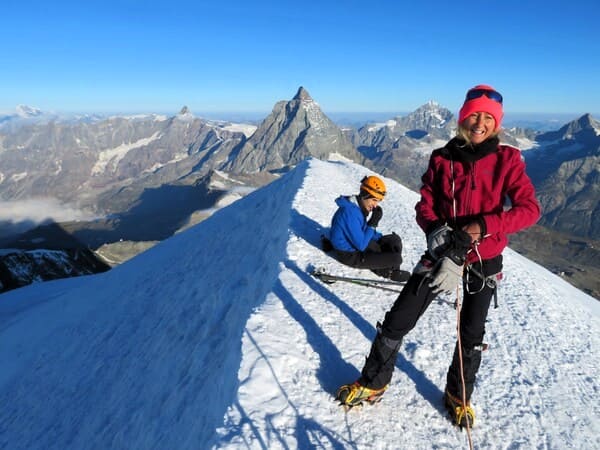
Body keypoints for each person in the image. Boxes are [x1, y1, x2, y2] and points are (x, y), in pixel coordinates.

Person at [335, 85, 541, 427]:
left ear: (497, 123)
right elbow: (425, 203)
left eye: (488, 117)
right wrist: (433, 229)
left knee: (471, 334)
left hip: (482, 259)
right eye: (474, 114)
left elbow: (529, 209)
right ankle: (373, 383)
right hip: (443, 251)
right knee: (399, 318)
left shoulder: (508, 161)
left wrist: (481, 226)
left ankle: (458, 397)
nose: (479, 123)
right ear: (463, 117)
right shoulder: (442, 158)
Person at [325, 175, 411, 282]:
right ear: (365, 195)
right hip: (350, 255)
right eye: (374, 200)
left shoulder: (358, 208)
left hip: (356, 245)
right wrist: (373, 222)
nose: (375, 205)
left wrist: (381, 238)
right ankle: (389, 272)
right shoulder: (350, 213)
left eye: (378, 201)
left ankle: (390, 266)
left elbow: (363, 229)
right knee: (396, 258)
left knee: (394, 240)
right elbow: (361, 245)